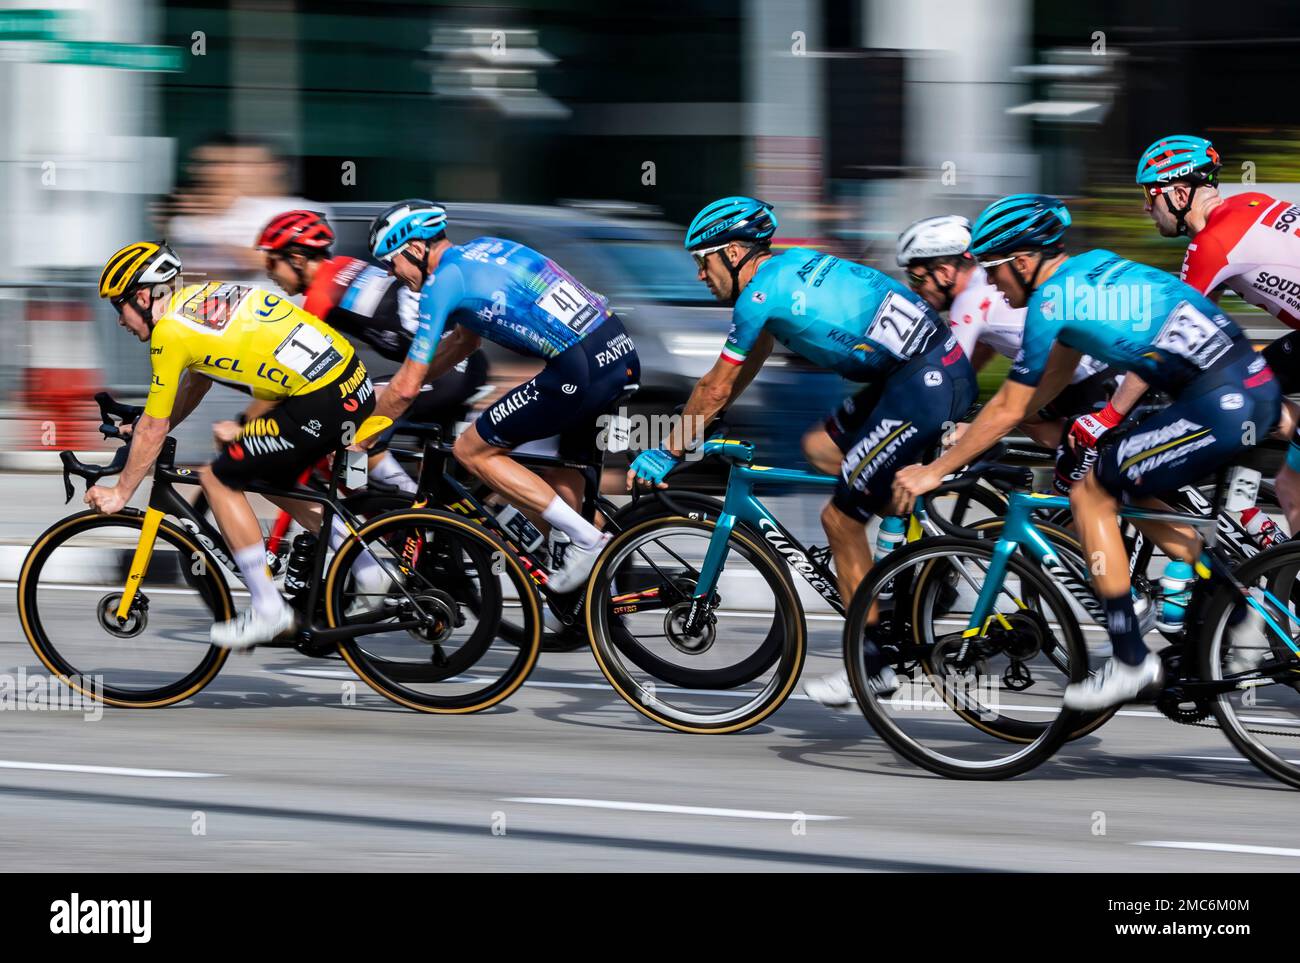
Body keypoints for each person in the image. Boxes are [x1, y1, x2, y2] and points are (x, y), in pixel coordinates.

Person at [892, 194, 1281, 710]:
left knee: (1091, 492)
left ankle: (1130, 659)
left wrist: (935, 471)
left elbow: (1011, 405)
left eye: (995, 270)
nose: (993, 285)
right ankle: (1207, 587)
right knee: (1117, 473)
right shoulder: (1093, 269)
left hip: (1220, 401)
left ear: (1024, 262)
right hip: (1251, 388)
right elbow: (1049, 382)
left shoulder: (1051, 301)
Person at [626, 196, 976, 706]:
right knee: (820, 448)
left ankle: (871, 663)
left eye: (702, 261)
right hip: (920, 373)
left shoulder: (757, 296)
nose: (700, 276)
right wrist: (706, 418)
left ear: (732, 253)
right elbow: (749, 360)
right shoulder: (787, 266)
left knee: (839, 520)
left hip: (920, 383)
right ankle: (901, 542)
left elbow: (716, 387)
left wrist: (669, 451)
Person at [91, 241, 376, 649]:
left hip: (320, 397)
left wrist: (121, 492)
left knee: (219, 478)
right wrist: (146, 425)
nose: (120, 321)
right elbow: (197, 379)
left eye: (118, 308)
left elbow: (156, 427)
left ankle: (268, 611)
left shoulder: (168, 334)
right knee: (264, 473)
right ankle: (366, 563)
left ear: (140, 296)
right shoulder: (198, 299)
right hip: (350, 381)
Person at [357, 200, 640, 593]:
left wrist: (364, 434)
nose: (392, 273)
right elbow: (462, 342)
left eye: (391, 261)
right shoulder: (485, 248)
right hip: (618, 352)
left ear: (416, 250)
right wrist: (412, 376)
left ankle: (588, 541)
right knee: (559, 471)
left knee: (471, 450)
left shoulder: (442, 284)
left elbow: (406, 389)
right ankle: (589, 599)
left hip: (578, 370)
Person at [1132, 134, 1300, 533]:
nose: (1145, 207)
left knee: (1290, 487)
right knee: (1254, 384)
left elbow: (1167, 337)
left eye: (1149, 195)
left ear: (1176, 193)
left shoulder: (1212, 245)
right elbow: (1205, 327)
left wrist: (1109, 411)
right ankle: (1242, 503)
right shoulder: (1249, 204)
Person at [256, 209, 489, 493]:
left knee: (351, 432)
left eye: (271, 261)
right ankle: (398, 507)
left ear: (296, 259)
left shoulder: (320, 299)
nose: (268, 273)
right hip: (465, 361)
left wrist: (251, 420)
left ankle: (408, 510)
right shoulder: (344, 265)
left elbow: (296, 369)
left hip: (444, 371)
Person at [898, 214, 1116, 460]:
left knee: (1009, 416)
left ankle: (1093, 465)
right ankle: (1085, 460)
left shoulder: (968, 302)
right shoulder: (988, 281)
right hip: (1078, 375)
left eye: (916, 278)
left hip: (1085, 377)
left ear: (944, 272)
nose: (913, 289)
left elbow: (947, 374)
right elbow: (973, 364)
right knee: (1024, 416)